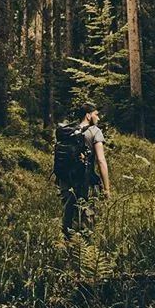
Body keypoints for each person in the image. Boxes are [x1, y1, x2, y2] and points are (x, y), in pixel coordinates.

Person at [59, 102, 111, 239]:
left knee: (68, 217)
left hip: (66, 181)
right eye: (96, 114)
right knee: (86, 219)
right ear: (88, 115)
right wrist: (106, 189)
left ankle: (67, 250)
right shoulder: (95, 131)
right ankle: (84, 251)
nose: (98, 118)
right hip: (85, 181)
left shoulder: (68, 132)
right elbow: (101, 161)